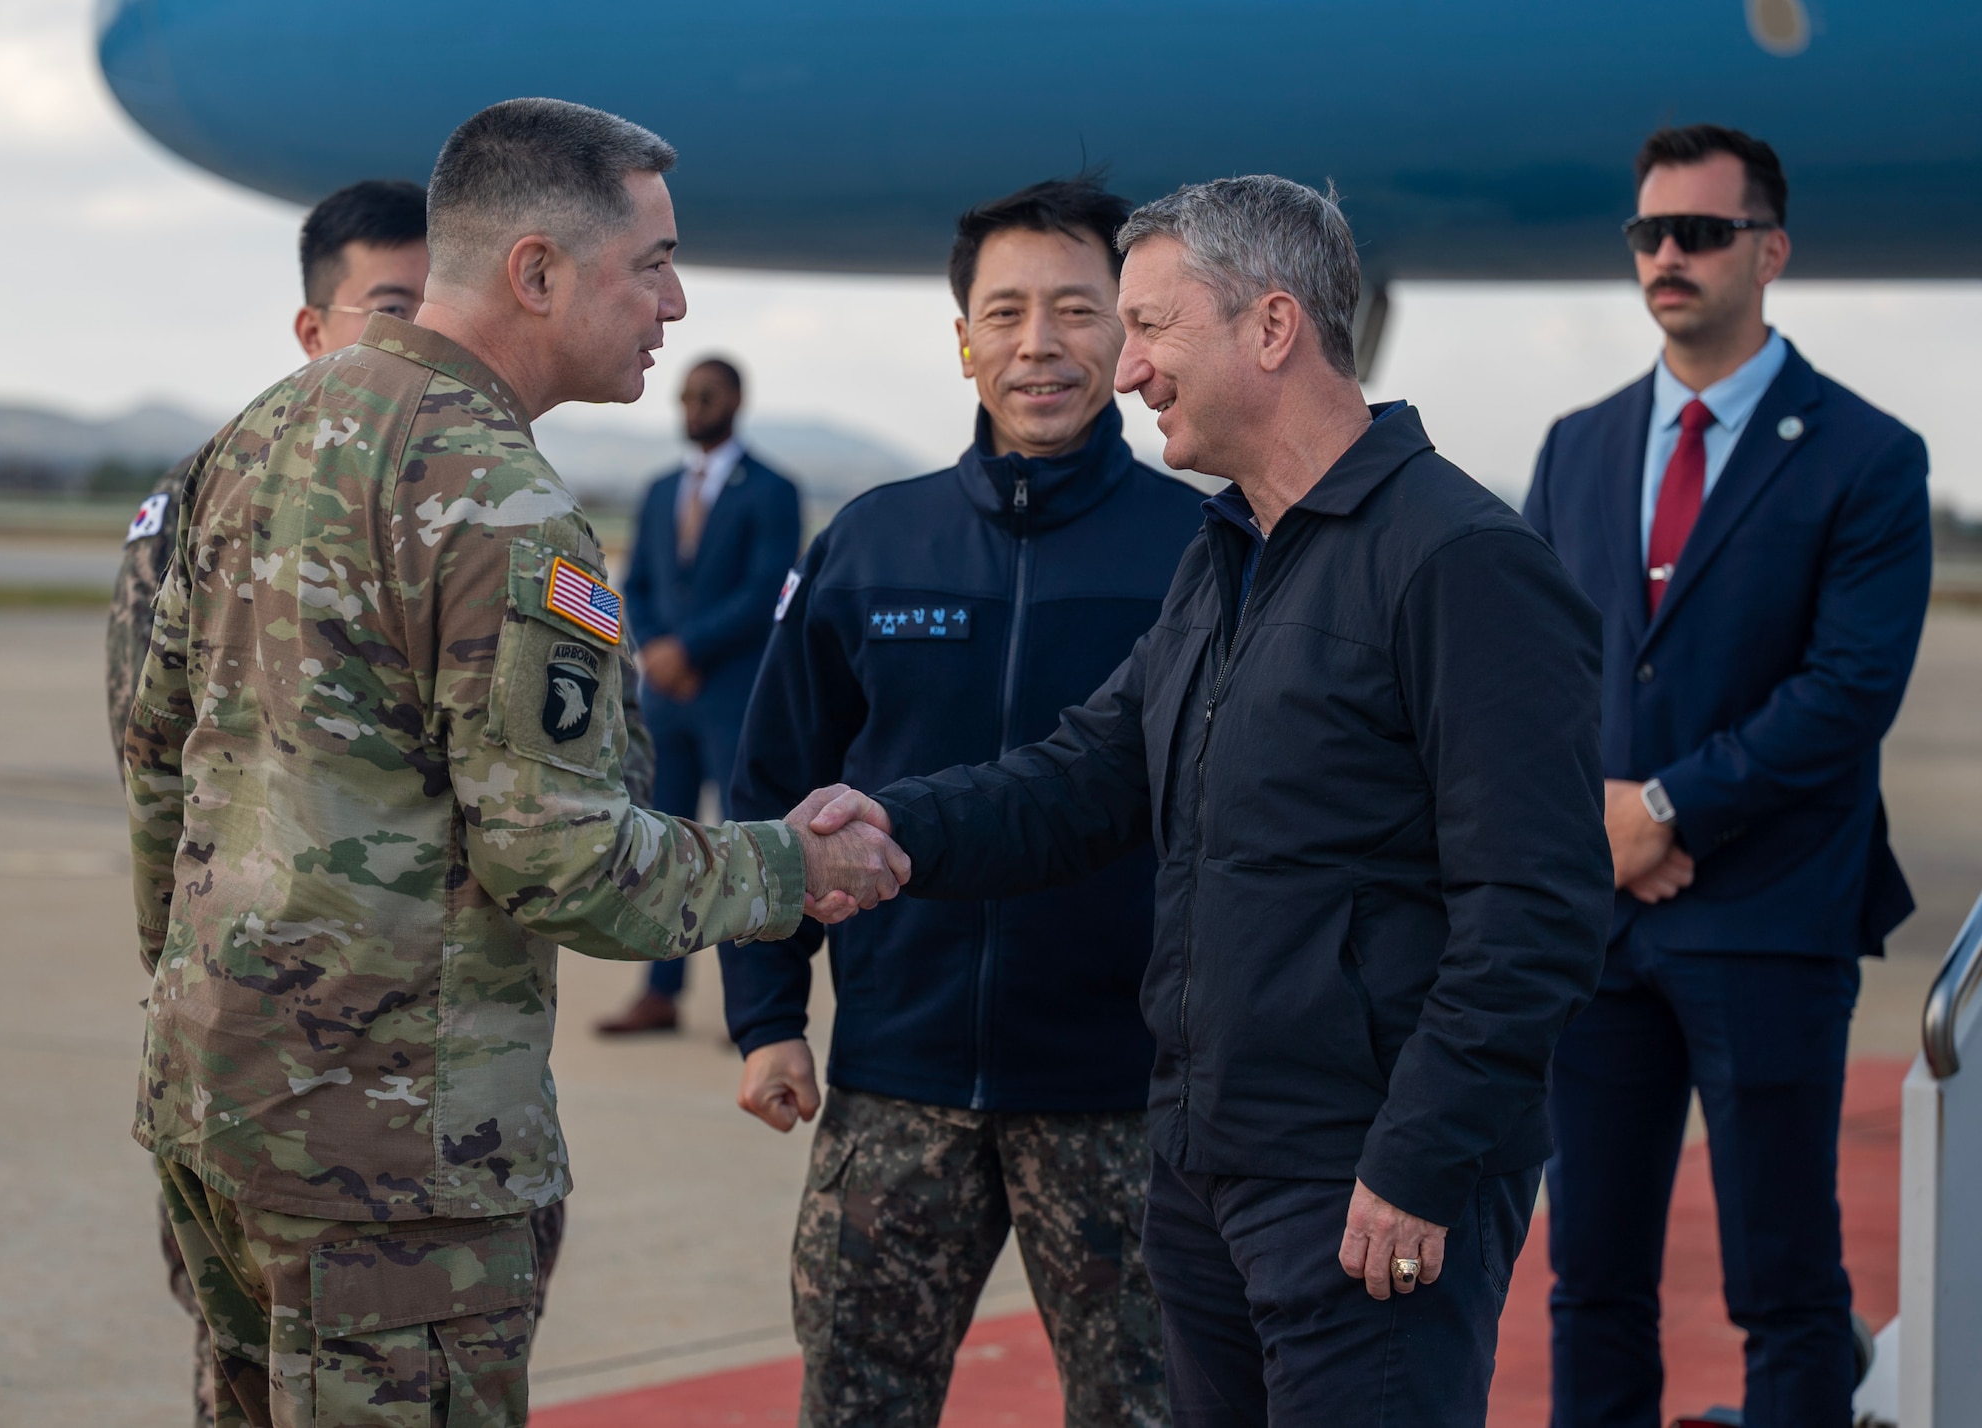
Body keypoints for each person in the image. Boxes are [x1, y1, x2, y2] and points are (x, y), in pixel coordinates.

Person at [119, 98, 906, 1428]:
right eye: (651, 263)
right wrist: (797, 865)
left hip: (216, 1103)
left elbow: (159, 760)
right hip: (391, 1163)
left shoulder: (256, 435)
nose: (675, 303)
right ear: (538, 271)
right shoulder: (498, 502)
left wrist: (193, 991)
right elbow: (567, 863)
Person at [800, 175, 1612, 1426]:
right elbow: (1081, 780)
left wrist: (1417, 1162)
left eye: (1150, 328)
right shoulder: (1228, 554)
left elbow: (1536, 911)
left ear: (1271, 327)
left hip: (1360, 1185)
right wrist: (889, 829)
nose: (1126, 369)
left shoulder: (1461, 564)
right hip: (1203, 1168)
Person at [725, 175, 1197, 1426]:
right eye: (1004, 312)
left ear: (1128, 332)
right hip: (896, 1079)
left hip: (1122, 1096)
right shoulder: (868, 547)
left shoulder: (1200, 555)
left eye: (1076, 310)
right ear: (961, 340)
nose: (1038, 344)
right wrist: (767, 1015)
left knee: (1152, 1409)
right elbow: (773, 793)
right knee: (856, 1403)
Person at [1523, 125, 1932, 1428]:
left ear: (1770, 250)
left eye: (1699, 233)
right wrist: (1594, 821)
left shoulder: (1867, 456)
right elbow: (1528, 676)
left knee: (1783, 1285)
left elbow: (1845, 693)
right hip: (1599, 931)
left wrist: (1662, 808)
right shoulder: (1576, 447)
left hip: (1767, 921)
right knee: (1591, 1280)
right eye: (1649, 233)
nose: (1667, 255)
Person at [104, 177, 437, 1428]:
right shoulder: (213, 495)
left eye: (436, 308)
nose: (418, 340)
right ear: (312, 330)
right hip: (251, 1063)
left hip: (425, 1084)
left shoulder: (480, 500)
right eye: (389, 308)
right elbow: (155, 759)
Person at [598, 356, 801, 1034]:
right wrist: (656, 648)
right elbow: (639, 583)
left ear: (736, 399)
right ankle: (660, 993)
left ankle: (756, 1002)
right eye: (684, 396)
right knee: (662, 842)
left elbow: (766, 588)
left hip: (733, 695)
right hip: (666, 699)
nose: (692, 407)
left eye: (705, 396)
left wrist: (689, 650)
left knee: (748, 839)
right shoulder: (660, 490)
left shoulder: (773, 490)